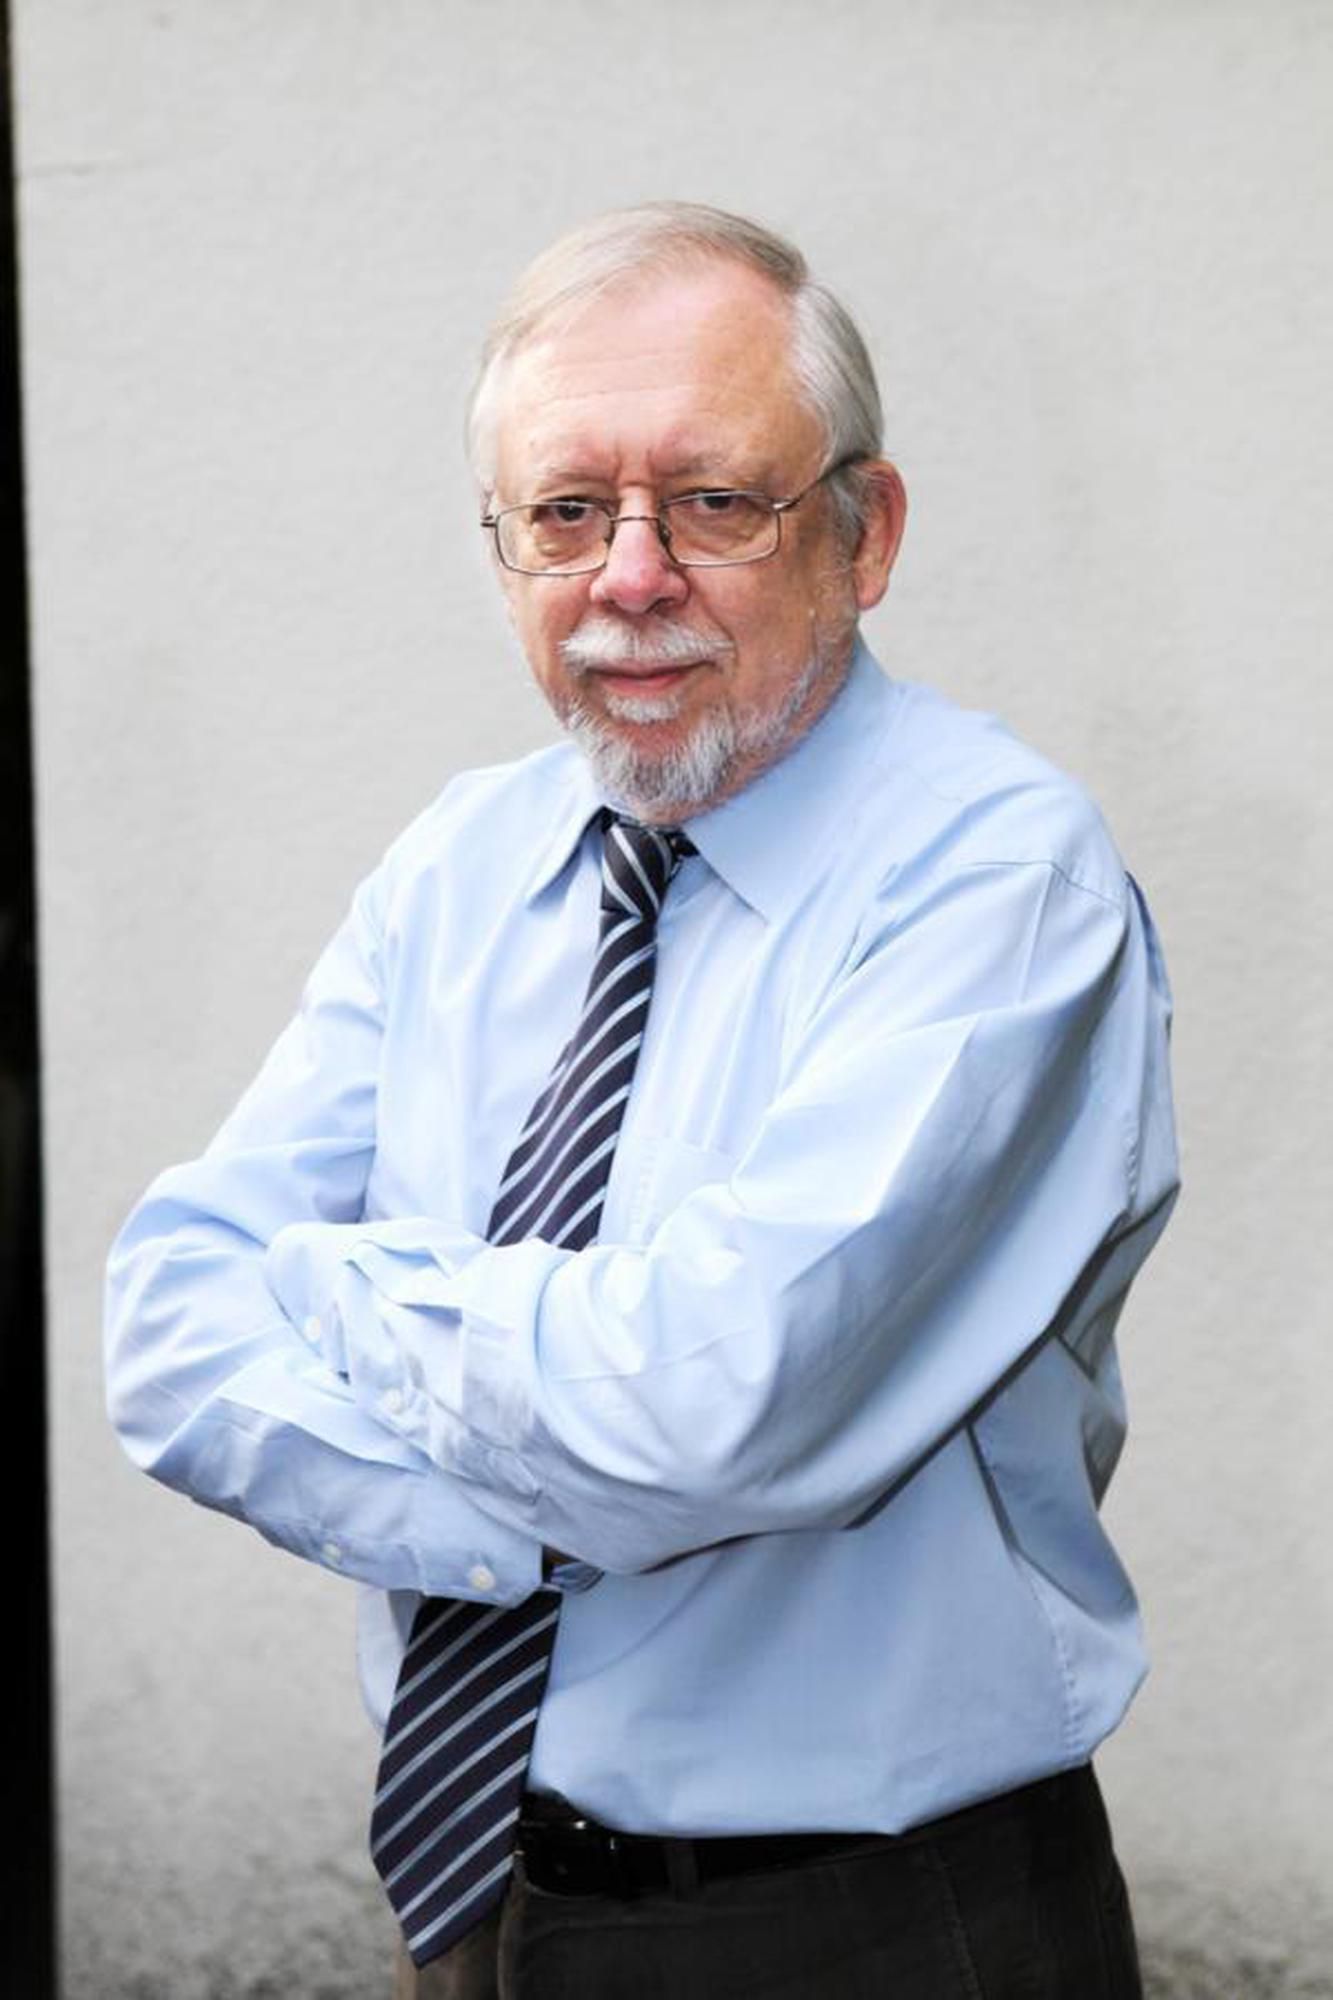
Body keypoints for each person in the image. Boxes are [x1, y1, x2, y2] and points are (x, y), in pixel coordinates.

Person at [105, 202, 1179, 1999]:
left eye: (711, 501)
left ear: (863, 533)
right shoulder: (460, 862)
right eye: (563, 513)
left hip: (871, 1929)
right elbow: (167, 1325)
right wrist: (534, 1508)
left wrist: (336, 1285)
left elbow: (699, 1405)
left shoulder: (999, 881)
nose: (628, 576)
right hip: (475, 1901)